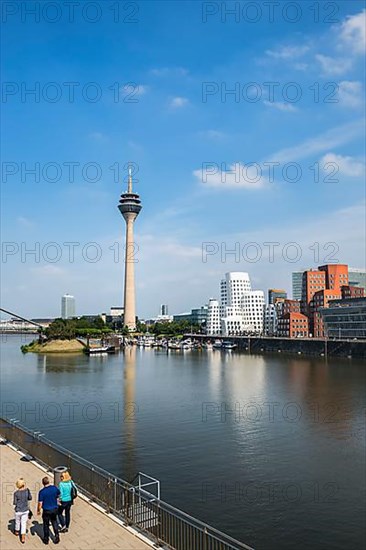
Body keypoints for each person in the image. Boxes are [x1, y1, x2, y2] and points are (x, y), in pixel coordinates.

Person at [37, 476, 60, 545]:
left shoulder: (42, 492)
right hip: (54, 509)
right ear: (48, 482)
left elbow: (40, 503)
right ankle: (56, 536)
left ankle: (46, 539)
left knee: (46, 524)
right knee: (54, 522)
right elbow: (58, 495)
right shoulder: (54, 488)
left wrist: (38, 510)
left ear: (43, 483)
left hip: (46, 510)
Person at [13, 478, 32, 544]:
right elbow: (30, 498)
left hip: (18, 510)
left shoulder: (16, 493)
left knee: (17, 521)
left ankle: (17, 531)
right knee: (23, 523)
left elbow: (15, 502)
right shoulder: (27, 491)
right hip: (25, 510)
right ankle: (23, 537)